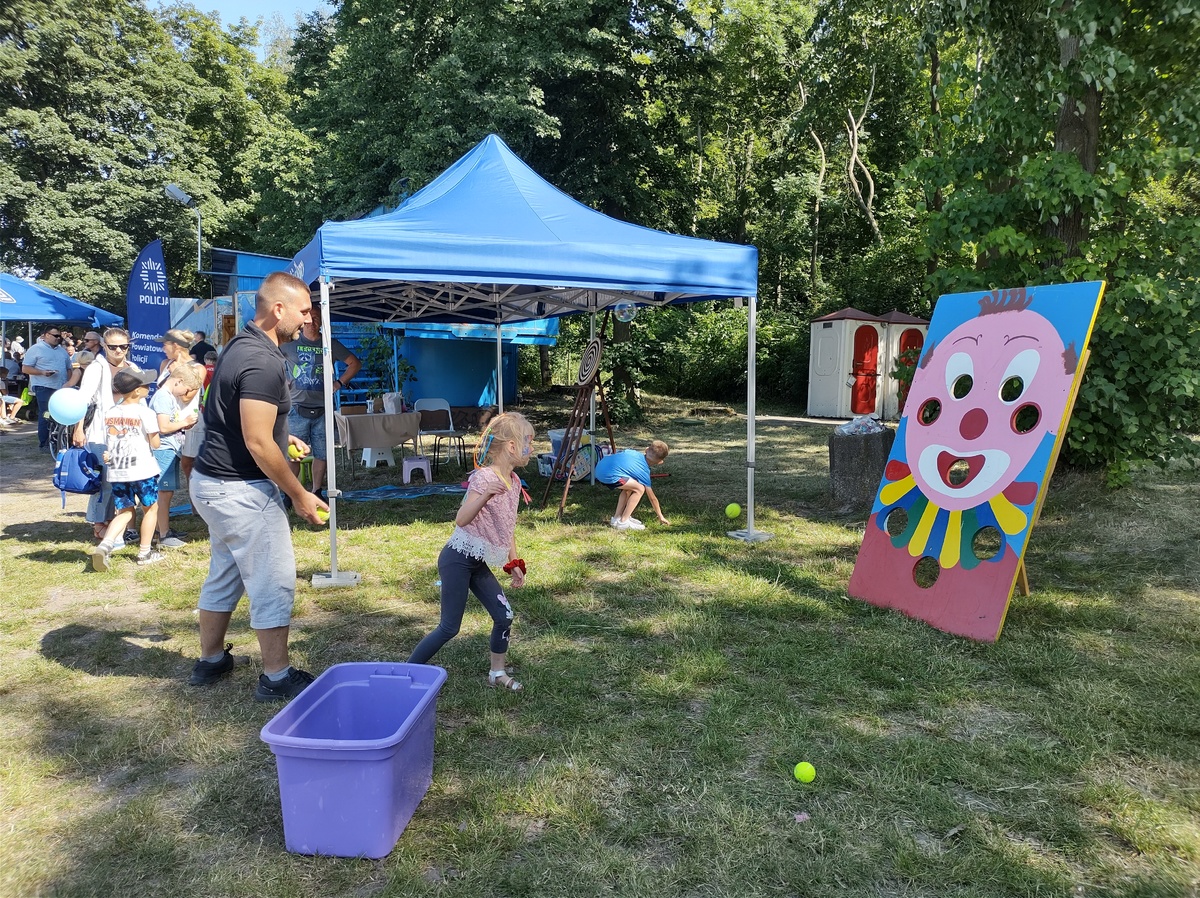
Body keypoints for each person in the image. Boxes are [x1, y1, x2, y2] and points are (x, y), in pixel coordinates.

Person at [188, 271, 327, 702]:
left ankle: (211, 661)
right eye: (304, 310)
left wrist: (284, 437)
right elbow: (255, 441)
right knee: (273, 579)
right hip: (241, 492)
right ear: (278, 309)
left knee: (224, 573)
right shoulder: (262, 360)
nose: (309, 320)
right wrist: (299, 493)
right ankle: (276, 675)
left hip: (210, 484)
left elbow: (241, 418)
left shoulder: (240, 345)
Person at [407, 412, 534, 691]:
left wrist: (514, 562)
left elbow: (508, 527)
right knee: (450, 627)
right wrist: (486, 494)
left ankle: (497, 673)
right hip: (457, 559)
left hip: (476, 563)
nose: (532, 447)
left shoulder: (513, 483)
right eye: (528, 441)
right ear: (511, 447)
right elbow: (462, 519)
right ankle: (405, 673)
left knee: (504, 616)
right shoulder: (484, 478)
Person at [89, 369, 165, 570]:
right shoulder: (146, 413)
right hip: (143, 470)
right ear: (137, 391)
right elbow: (155, 444)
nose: (149, 388)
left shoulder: (111, 413)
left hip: (117, 470)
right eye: (146, 385)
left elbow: (109, 441)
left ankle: (106, 544)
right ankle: (144, 552)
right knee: (151, 508)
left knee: (124, 511)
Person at [73, 327, 141, 542]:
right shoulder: (97, 368)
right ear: (104, 346)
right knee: (105, 481)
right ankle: (99, 523)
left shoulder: (133, 367)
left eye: (124, 346)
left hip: (128, 434)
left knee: (123, 481)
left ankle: (117, 523)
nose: (119, 350)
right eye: (113, 347)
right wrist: (78, 428)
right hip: (100, 434)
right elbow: (83, 399)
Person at [280, 318, 361, 498]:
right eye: (309, 319)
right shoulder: (289, 341)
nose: (312, 322)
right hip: (296, 407)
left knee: (322, 453)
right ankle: (288, 494)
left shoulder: (329, 343)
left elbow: (355, 363)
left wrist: (339, 383)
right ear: (302, 321)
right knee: (294, 454)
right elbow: (270, 358)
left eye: (317, 318)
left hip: (323, 407)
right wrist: (281, 379)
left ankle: (317, 491)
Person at [149, 362, 202, 548]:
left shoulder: (167, 397)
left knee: (166, 492)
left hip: (169, 448)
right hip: (163, 449)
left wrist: (184, 424)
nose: (184, 395)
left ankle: (161, 529)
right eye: (185, 390)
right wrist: (184, 422)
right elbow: (162, 427)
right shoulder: (163, 398)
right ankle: (163, 534)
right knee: (163, 493)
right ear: (178, 381)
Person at [594, 440, 671, 530]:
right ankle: (623, 521)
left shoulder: (633, 452)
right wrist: (661, 516)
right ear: (660, 462)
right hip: (608, 475)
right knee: (640, 488)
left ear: (646, 450)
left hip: (600, 467)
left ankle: (616, 518)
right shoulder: (643, 472)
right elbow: (652, 498)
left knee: (630, 486)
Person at [21, 325, 70, 453]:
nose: (58, 338)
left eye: (59, 336)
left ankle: (59, 440)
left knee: (61, 414)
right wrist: (42, 372)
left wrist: (70, 383)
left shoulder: (62, 350)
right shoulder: (36, 349)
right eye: (55, 336)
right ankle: (44, 443)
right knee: (46, 413)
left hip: (61, 387)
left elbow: (69, 368)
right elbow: (25, 369)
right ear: (46, 335)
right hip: (44, 386)